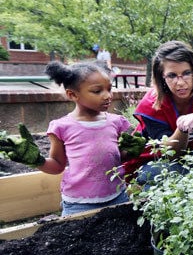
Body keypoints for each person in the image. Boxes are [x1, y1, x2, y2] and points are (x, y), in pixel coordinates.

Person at [0, 61, 133, 216]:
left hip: (118, 196)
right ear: (72, 94)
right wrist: (36, 160)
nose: (108, 96)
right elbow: (57, 166)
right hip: (78, 204)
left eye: (109, 89)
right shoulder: (61, 127)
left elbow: (117, 158)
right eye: (97, 91)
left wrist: (131, 151)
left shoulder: (117, 122)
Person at [123, 41, 193, 184]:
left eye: (186, 73)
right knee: (166, 175)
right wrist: (184, 126)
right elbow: (170, 154)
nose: (180, 83)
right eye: (172, 75)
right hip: (152, 159)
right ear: (161, 77)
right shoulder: (152, 105)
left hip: (189, 153)